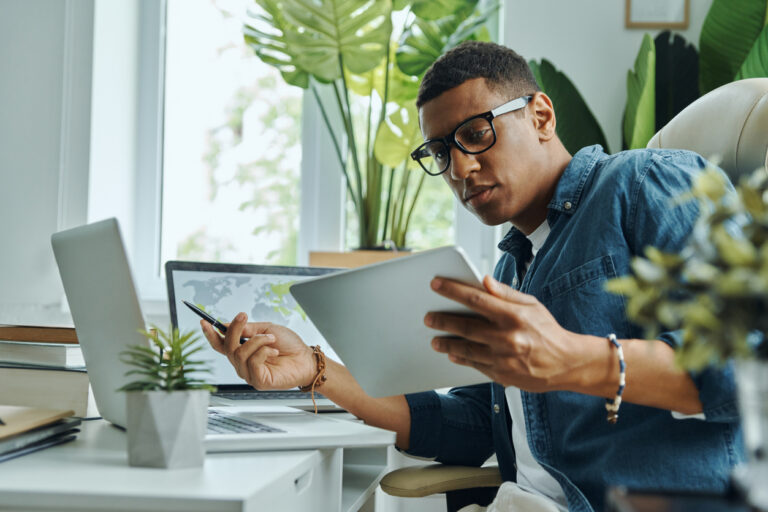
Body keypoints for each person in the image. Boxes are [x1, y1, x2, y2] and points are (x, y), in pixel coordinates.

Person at [200, 41, 743, 511]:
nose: (459, 169)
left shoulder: (645, 183)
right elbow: (471, 425)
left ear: (542, 117)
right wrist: (315, 371)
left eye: (476, 134)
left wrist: (572, 360)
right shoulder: (512, 267)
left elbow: (746, 363)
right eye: (440, 151)